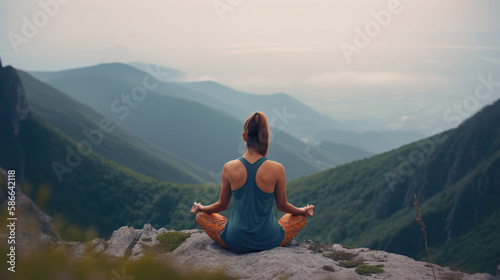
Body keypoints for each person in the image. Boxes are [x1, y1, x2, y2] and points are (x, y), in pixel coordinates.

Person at [191, 111, 314, 253]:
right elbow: (282, 206)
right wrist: (302, 211)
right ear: (266, 138)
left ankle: (225, 227)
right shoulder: (277, 169)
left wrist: (201, 208)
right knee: (299, 217)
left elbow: (222, 205)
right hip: (269, 240)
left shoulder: (229, 167)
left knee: (201, 216)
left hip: (235, 240)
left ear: (244, 136)